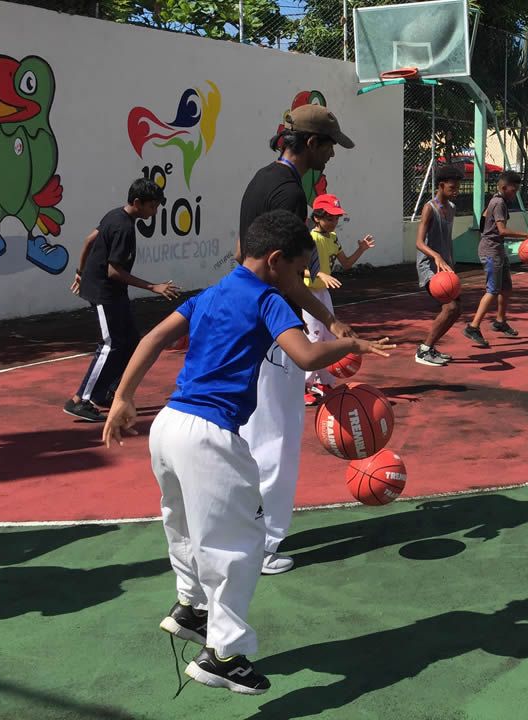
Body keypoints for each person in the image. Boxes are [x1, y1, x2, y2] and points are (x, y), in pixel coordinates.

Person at [101, 210, 394, 695]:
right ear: (275, 261)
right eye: (300, 269)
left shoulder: (212, 293)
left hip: (169, 427)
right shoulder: (268, 300)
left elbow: (153, 338)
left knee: (183, 526)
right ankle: (223, 655)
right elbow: (303, 356)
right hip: (211, 438)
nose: (302, 279)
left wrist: (123, 397)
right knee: (240, 545)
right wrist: (350, 341)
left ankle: (190, 608)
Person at [238, 103, 358, 576]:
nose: (331, 154)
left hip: (253, 318)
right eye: (329, 145)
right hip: (276, 326)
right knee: (277, 438)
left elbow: (242, 254)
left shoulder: (259, 180)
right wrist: (328, 320)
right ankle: (263, 546)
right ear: (311, 144)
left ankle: (246, 530)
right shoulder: (289, 193)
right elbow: (286, 275)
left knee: (253, 433)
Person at [65, 179, 179, 422]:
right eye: (152, 206)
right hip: (103, 292)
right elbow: (113, 271)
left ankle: (104, 392)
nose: (155, 211)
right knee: (111, 344)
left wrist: (80, 270)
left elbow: (89, 240)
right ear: (137, 203)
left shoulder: (115, 216)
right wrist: (153, 287)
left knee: (129, 342)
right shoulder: (123, 228)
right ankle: (79, 400)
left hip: (112, 292)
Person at [303, 193, 374, 404]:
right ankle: (303, 386)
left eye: (336, 218)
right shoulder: (309, 239)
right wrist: (319, 274)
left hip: (323, 293)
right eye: (330, 218)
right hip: (307, 294)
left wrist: (361, 249)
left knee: (329, 337)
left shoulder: (333, 239)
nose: (334, 222)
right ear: (317, 218)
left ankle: (324, 381)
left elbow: (347, 264)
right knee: (313, 339)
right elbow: (299, 269)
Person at [464, 171, 528, 348]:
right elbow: (502, 230)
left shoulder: (495, 200)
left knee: (506, 288)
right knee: (493, 290)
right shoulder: (499, 202)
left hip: (497, 249)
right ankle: (473, 327)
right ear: (504, 187)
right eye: (514, 190)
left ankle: (500, 321)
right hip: (491, 251)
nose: (515, 193)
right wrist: (526, 235)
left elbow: (483, 223)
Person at [415, 164, 466, 366]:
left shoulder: (451, 208)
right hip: (429, 267)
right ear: (442, 185)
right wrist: (436, 256)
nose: (456, 192)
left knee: (457, 309)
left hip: (445, 267)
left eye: (458, 188)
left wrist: (447, 261)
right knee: (450, 307)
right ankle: (423, 350)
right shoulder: (430, 208)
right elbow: (418, 242)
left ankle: (431, 347)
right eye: (452, 188)